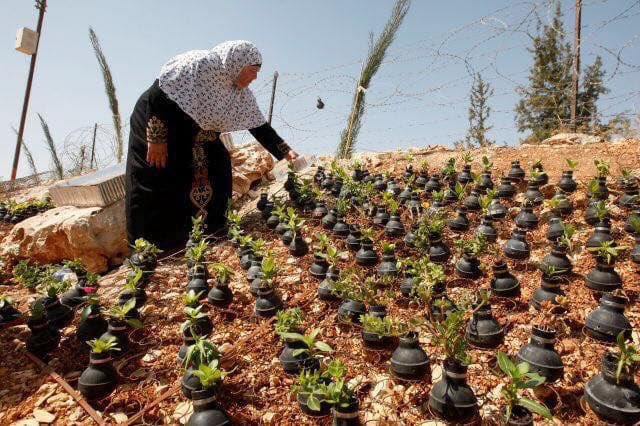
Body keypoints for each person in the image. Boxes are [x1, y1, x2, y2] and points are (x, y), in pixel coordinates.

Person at [125, 40, 298, 249]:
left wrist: (285, 151)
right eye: (252, 71)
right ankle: (151, 245)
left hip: (195, 133)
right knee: (158, 174)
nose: (255, 78)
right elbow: (158, 94)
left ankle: (213, 228)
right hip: (157, 124)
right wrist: (157, 138)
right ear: (236, 64)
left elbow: (258, 125)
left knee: (218, 165)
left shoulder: (238, 93)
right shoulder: (197, 64)